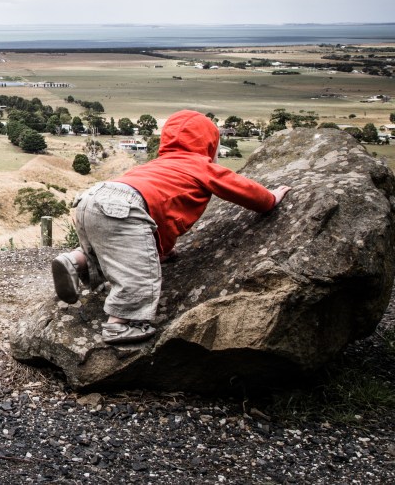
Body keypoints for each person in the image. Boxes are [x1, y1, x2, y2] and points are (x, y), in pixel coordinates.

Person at [51, 110, 291, 345]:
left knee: (108, 251)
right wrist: (269, 199)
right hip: (125, 206)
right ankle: (120, 324)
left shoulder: (158, 164)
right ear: (209, 144)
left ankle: (74, 261)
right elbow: (241, 188)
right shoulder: (200, 165)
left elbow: (158, 219)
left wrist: (161, 251)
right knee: (136, 271)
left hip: (92, 198)